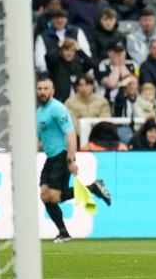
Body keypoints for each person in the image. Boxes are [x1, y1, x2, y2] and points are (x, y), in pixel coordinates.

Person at [36, 77, 111, 243]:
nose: (42, 92)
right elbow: (40, 139)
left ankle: (93, 188)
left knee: (54, 197)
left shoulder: (57, 109)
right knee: (44, 195)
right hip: (51, 158)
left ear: (52, 90)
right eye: (40, 88)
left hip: (62, 156)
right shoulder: (39, 112)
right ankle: (63, 232)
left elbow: (70, 134)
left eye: (46, 88)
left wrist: (70, 160)